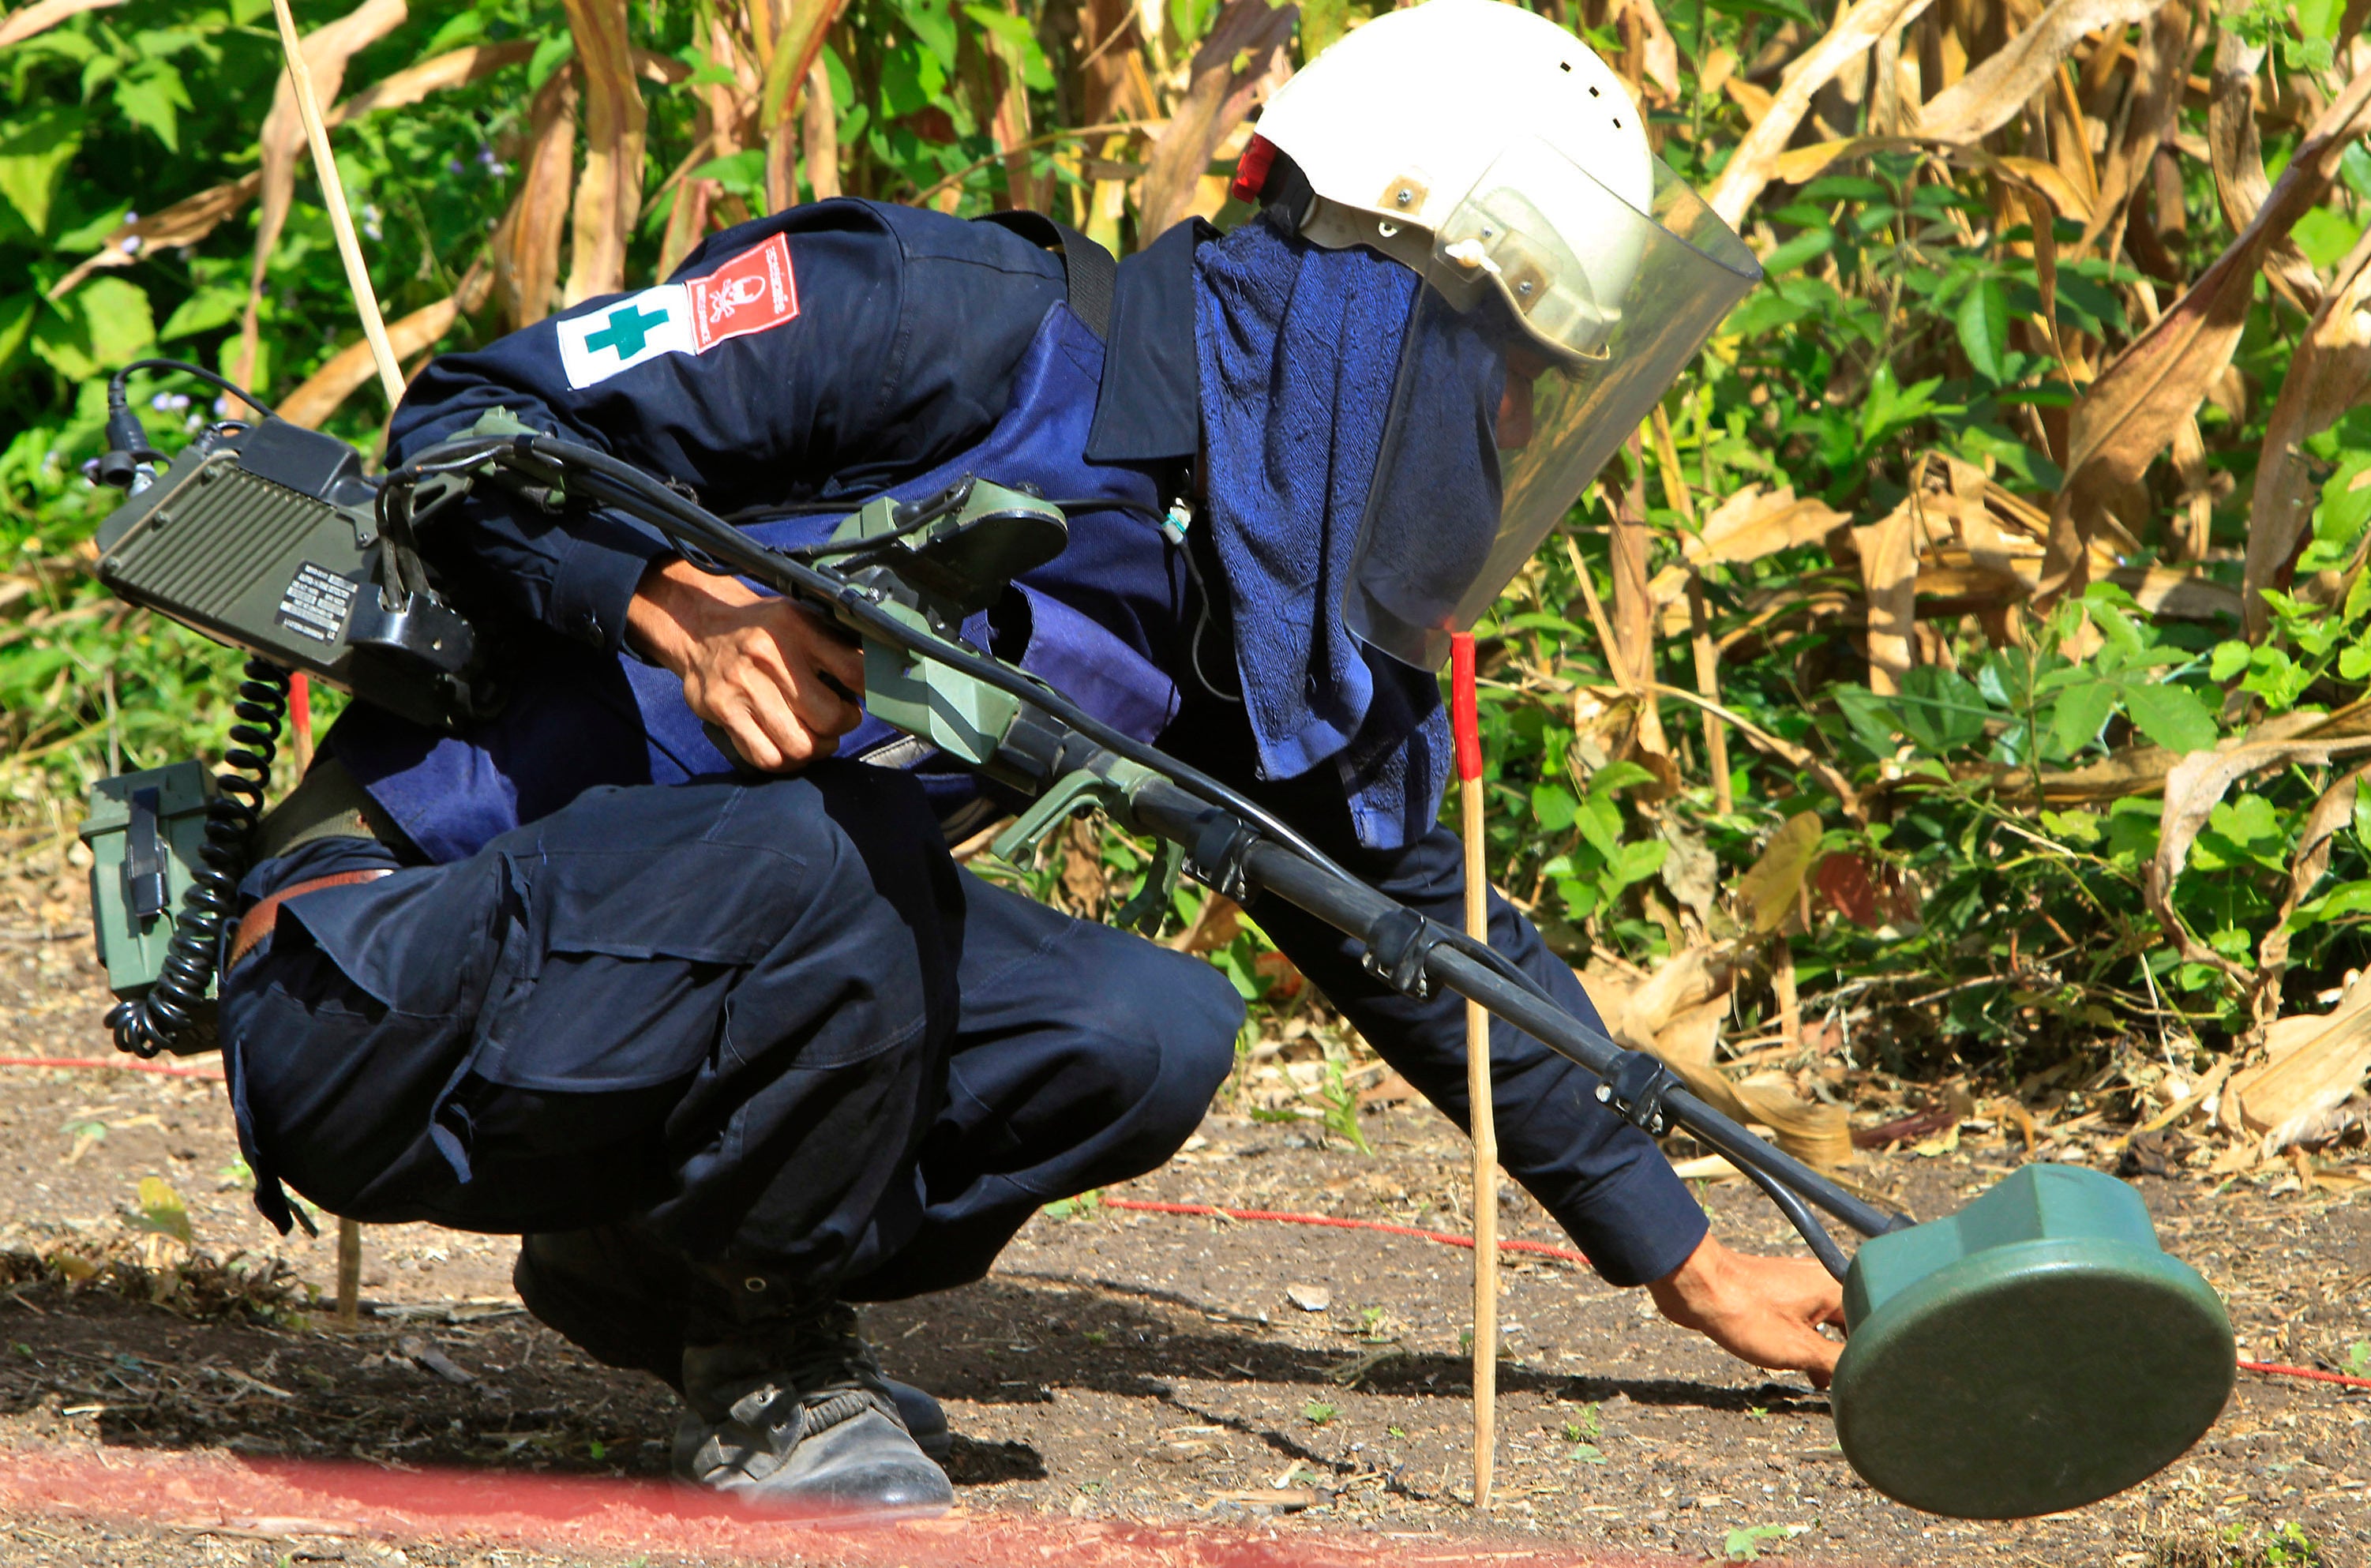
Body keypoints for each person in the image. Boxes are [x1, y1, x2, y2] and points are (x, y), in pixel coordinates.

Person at [216, 0, 1840, 1521]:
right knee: (831, 849)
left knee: (1142, 1030)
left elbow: (1419, 933)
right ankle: (765, 1358)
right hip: (376, 964)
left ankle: (650, 1271)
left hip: (652, 974)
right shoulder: (941, 321)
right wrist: (668, 600)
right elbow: (461, 426)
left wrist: (1684, 1260)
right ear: (1371, 293)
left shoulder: (1252, 589)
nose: (1498, 424)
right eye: (1495, 362)